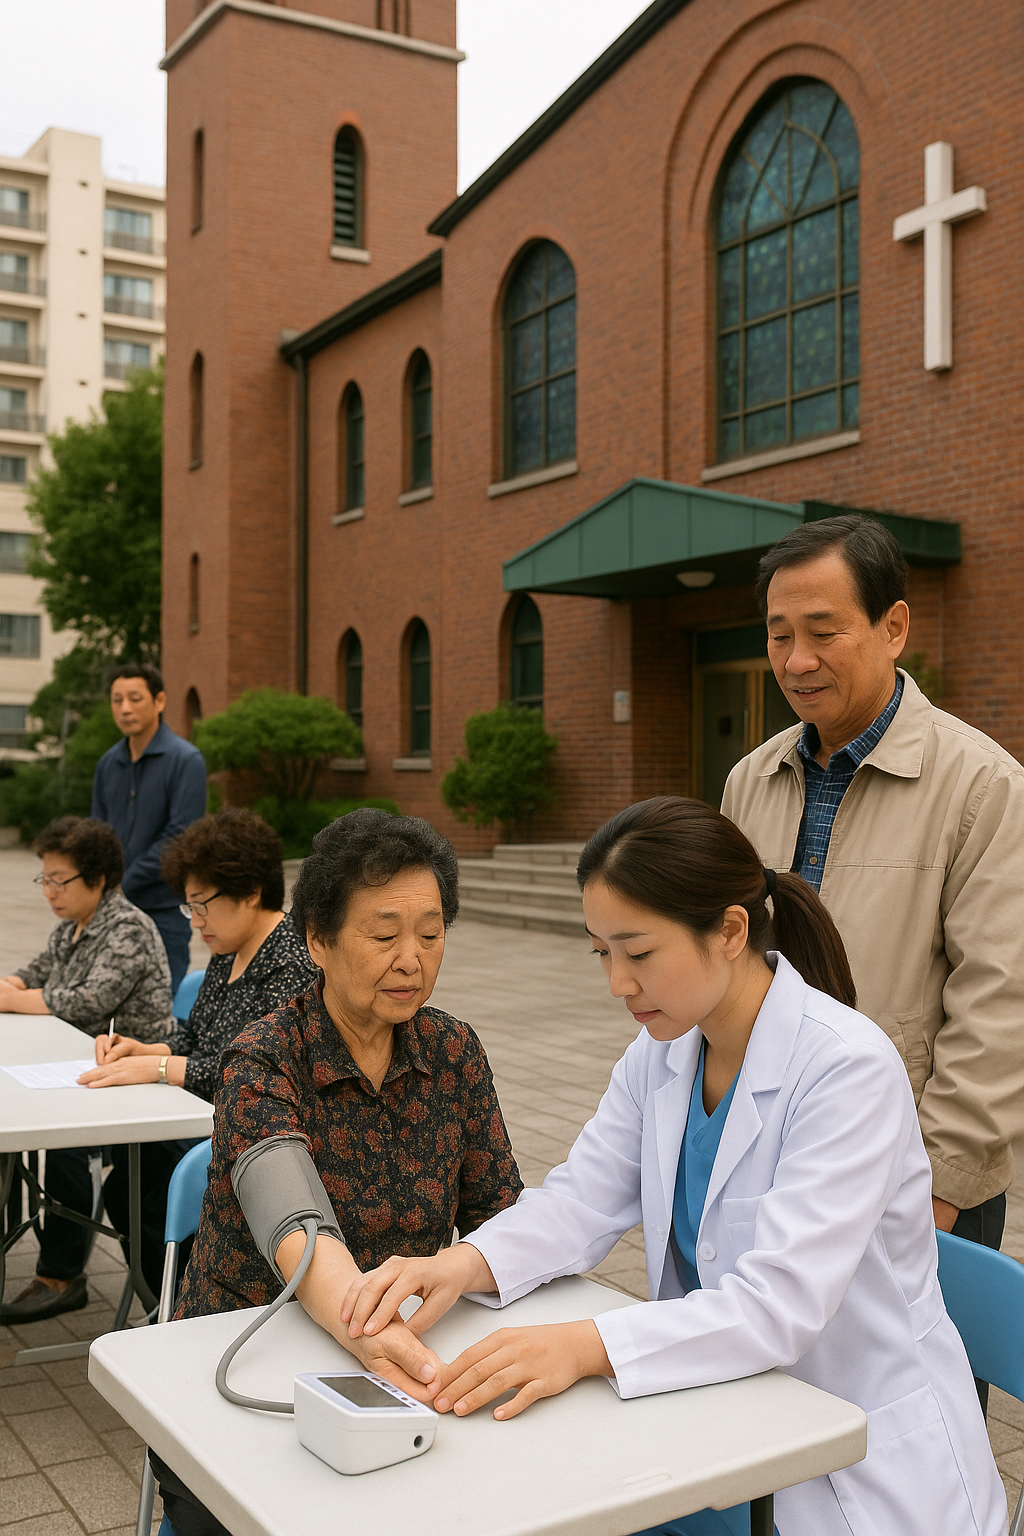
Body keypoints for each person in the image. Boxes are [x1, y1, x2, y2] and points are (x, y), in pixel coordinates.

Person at [338, 798, 1005, 1536]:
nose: (618, 983)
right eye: (601, 952)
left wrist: (586, 1345)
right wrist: (462, 1265)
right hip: (722, 1423)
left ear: (729, 930)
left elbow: (776, 1307)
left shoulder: (846, 1069)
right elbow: (581, 1200)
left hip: (859, 1465)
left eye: (639, 952)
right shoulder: (663, 1053)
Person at [154, 809, 523, 1536]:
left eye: (431, 932)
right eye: (384, 936)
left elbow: (502, 1218)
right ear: (317, 940)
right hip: (249, 1356)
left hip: (405, 1365)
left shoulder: (452, 1051)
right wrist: (364, 1326)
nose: (412, 959)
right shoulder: (263, 1056)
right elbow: (293, 1221)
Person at [718, 517, 1024, 1297]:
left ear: (894, 627)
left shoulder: (984, 786)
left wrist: (940, 1190)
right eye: (778, 634)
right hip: (775, 1149)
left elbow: (1000, 1003)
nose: (797, 660)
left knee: (918, 1404)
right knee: (790, 1400)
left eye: (823, 632)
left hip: (910, 1175)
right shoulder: (749, 781)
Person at [80, 808, 316, 1298]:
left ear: (250, 893)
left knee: (141, 1181)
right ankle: (166, 1294)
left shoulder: (291, 960)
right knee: (130, 1174)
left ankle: (182, 1293)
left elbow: (254, 1072)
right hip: (201, 1119)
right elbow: (200, 1034)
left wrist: (160, 1068)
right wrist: (146, 1048)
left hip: (254, 1137)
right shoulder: (230, 947)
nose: (196, 922)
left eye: (202, 906)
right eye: (190, 908)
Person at [0, 816, 173, 1325]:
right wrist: (11, 984)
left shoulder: (128, 928)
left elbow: (82, 1001)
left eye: (60, 880)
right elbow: (33, 974)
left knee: (63, 1142)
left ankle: (62, 1274)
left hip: (137, 1079)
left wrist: (16, 997)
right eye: (45, 879)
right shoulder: (71, 927)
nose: (50, 891)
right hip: (83, 1069)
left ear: (97, 879)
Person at [91, 662, 207, 994]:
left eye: (135, 698)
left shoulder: (186, 761)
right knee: (106, 1004)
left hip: (163, 911)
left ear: (159, 701)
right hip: (111, 911)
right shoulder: (107, 764)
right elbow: (96, 834)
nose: (125, 708)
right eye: (117, 699)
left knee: (158, 1008)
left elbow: (181, 835)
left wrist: (123, 883)